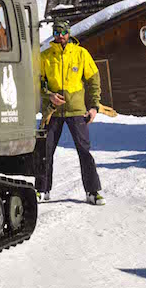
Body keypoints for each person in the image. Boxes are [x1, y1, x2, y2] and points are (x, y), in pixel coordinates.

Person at [38, 19, 105, 205]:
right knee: (45, 150)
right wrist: (49, 95)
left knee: (84, 151)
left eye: (62, 32)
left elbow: (94, 81)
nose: (59, 36)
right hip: (53, 111)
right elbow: (38, 81)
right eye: (56, 32)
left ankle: (93, 191)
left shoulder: (81, 54)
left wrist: (94, 106)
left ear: (69, 33)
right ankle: (42, 189)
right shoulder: (45, 56)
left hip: (76, 111)